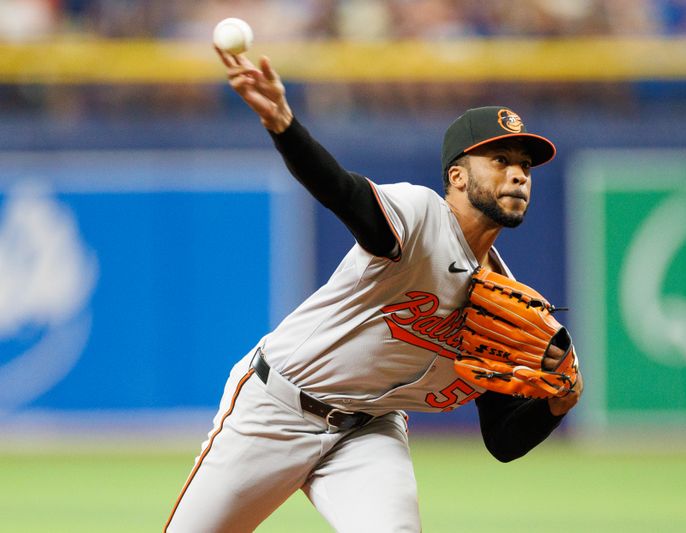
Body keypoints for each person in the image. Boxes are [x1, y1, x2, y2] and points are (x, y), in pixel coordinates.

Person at [164, 48, 583, 533]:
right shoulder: (420, 215)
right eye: (501, 160)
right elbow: (342, 192)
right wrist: (283, 124)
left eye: (526, 167)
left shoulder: (505, 301)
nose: (517, 174)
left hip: (371, 431)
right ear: (458, 176)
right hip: (276, 409)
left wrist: (556, 404)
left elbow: (502, 440)